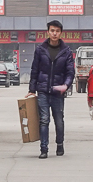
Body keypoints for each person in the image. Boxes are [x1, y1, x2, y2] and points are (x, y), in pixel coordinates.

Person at [28, 19, 75, 159]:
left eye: (57, 31)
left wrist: (66, 85)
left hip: (58, 93)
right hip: (43, 90)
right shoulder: (40, 50)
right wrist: (32, 89)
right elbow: (34, 70)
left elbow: (70, 72)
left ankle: (60, 144)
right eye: (52, 31)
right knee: (44, 120)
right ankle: (44, 149)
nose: (54, 33)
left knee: (59, 121)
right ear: (48, 32)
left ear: (61, 33)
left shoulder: (66, 51)